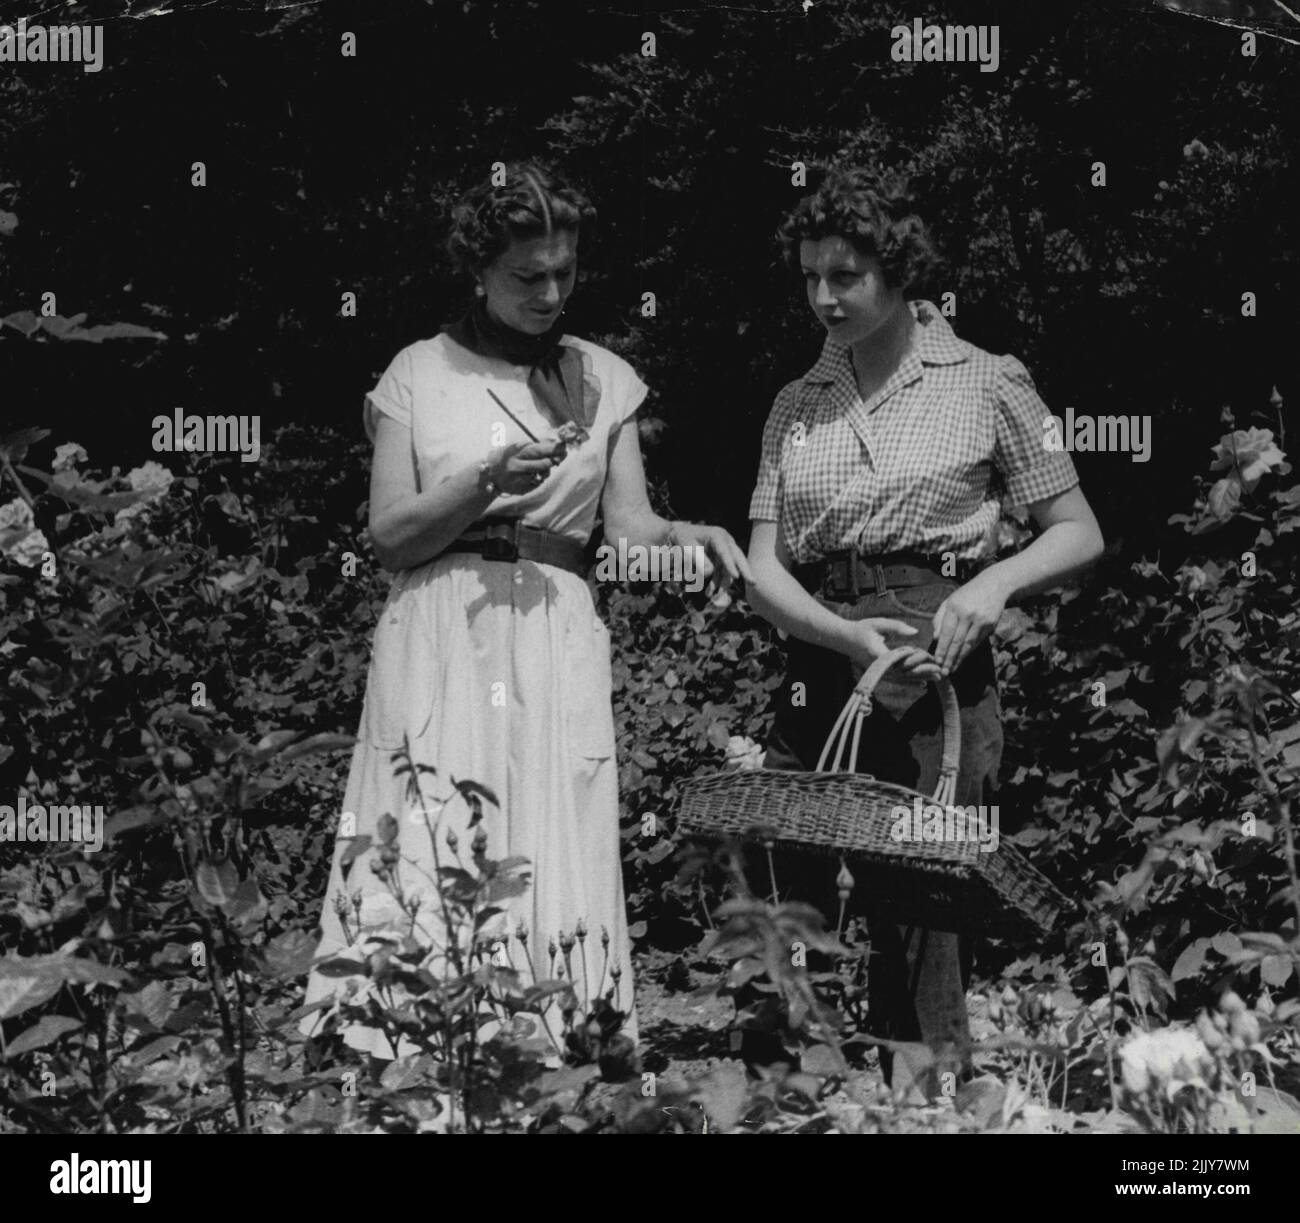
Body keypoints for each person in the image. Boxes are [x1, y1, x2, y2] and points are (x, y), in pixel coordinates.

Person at [301, 161, 752, 1062]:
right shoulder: (418, 373)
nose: (550, 293)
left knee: (556, 807)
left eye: (565, 272)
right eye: (527, 276)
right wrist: (480, 484)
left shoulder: (602, 377)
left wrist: (690, 536)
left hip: (553, 621)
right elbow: (389, 536)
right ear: (479, 269)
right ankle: (404, 1033)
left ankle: (559, 1032)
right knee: (429, 806)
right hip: (443, 620)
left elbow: (625, 532)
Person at [744, 167, 1104, 1099]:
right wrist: (834, 633)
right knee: (792, 866)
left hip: (934, 654)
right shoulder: (797, 403)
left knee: (923, 887)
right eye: (809, 277)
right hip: (820, 655)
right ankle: (801, 1089)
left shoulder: (988, 382)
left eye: (845, 275)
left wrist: (995, 583)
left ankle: (927, 1094)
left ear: (898, 271)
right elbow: (763, 569)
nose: (823, 296)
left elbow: (1079, 531)